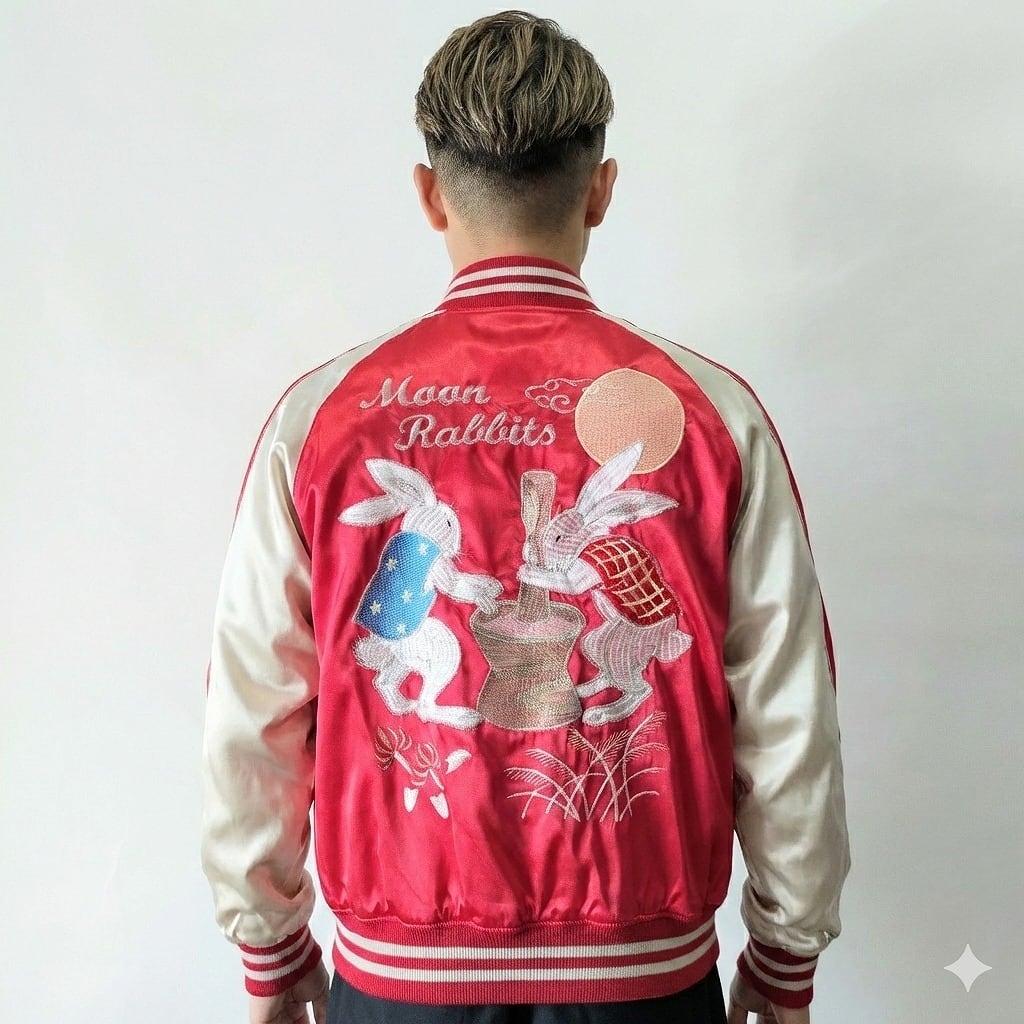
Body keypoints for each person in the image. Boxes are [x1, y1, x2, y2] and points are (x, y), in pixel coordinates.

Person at [200, 11, 852, 1024]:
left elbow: (255, 704)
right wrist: (785, 953)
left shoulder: (323, 420)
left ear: (429, 195)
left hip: (401, 974)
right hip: (641, 975)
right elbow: (787, 708)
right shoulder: (707, 414)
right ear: (600, 191)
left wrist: (269, 945)